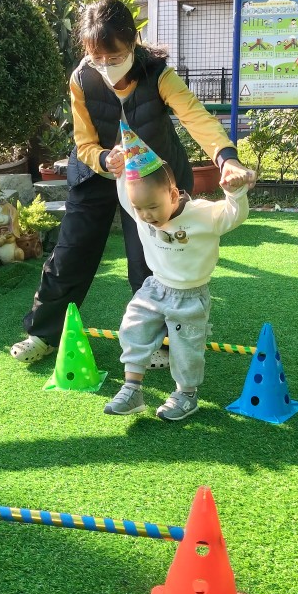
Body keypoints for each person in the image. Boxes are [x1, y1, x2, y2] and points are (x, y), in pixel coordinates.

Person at [10, 0, 255, 364]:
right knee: (70, 254)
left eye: (115, 56)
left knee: (150, 262)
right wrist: (104, 159)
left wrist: (227, 159)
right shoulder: (81, 78)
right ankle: (43, 334)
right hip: (97, 173)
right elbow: (84, 142)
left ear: (133, 41)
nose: (106, 66)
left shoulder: (158, 74)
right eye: (97, 58)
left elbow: (196, 117)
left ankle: (161, 342)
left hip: (153, 180)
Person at [102, 133, 252, 422]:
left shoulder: (202, 214)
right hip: (155, 287)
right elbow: (125, 190)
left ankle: (187, 394)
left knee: (186, 349)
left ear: (172, 195)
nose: (145, 216)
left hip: (190, 296)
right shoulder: (139, 208)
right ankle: (132, 389)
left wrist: (235, 193)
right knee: (132, 328)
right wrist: (120, 164)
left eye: (153, 208)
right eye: (139, 209)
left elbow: (234, 216)